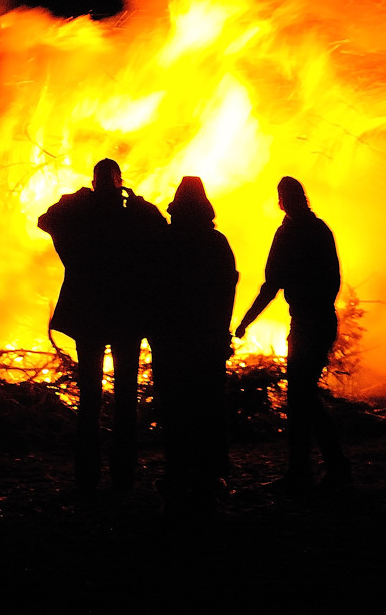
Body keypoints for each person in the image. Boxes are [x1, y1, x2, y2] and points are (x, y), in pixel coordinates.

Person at [38, 158, 166, 497]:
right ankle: (122, 477)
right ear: (120, 181)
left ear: (94, 183)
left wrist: (78, 197)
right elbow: (162, 231)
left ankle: (88, 477)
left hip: (90, 315)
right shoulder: (133, 216)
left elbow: (47, 219)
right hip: (127, 315)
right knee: (125, 398)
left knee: (90, 398)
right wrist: (137, 200)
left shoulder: (81, 216)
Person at [235, 176, 351, 493]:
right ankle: (308, 470)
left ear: (283, 201)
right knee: (302, 397)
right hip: (320, 320)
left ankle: (321, 469)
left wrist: (245, 321)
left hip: (306, 322)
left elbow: (271, 284)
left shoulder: (289, 233)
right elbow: (334, 278)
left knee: (302, 397)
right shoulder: (319, 229)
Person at [151, 177, 238, 519]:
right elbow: (226, 291)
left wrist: (156, 332)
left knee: (175, 410)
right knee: (208, 409)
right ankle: (208, 479)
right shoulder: (216, 243)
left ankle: (176, 477)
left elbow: (152, 290)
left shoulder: (164, 241)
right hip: (206, 340)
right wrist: (222, 333)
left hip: (171, 342)